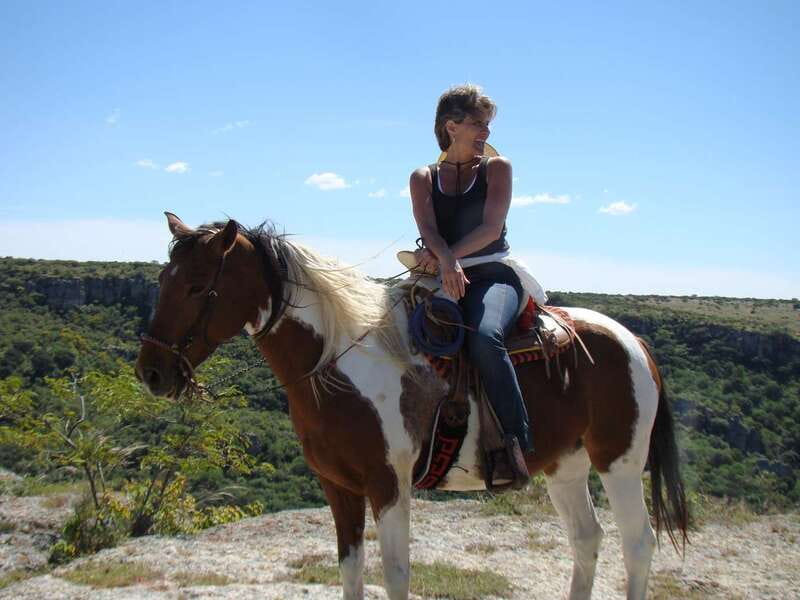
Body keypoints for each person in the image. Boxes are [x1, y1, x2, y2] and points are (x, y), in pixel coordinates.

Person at [408, 84, 531, 489]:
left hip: (492, 274)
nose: (486, 132)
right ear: (452, 126)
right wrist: (444, 260)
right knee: (389, 332)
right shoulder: (423, 178)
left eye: (487, 124)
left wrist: (447, 258)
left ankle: (515, 445)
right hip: (441, 274)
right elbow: (428, 230)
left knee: (484, 337)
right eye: (478, 123)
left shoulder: (498, 169)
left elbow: (491, 229)